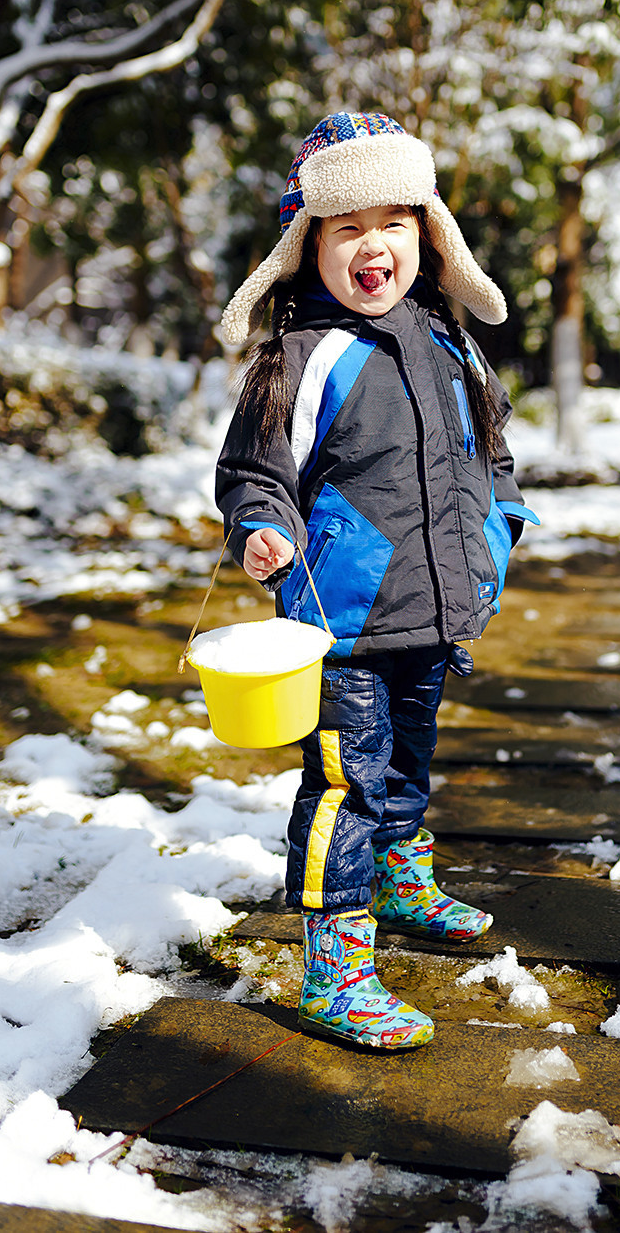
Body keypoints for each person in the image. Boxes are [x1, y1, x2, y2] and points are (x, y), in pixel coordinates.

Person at [215, 110, 538, 1052]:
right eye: (348, 227)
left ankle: (403, 881)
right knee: (343, 782)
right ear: (306, 244)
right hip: (342, 616)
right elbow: (255, 472)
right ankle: (334, 966)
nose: (373, 246)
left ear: (427, 238)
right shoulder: (303, 359)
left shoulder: (448, 344)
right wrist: (263, 528)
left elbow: (494, 450)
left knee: (405, 763)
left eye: (393, 224)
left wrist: (501, 522)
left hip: (438, 605)